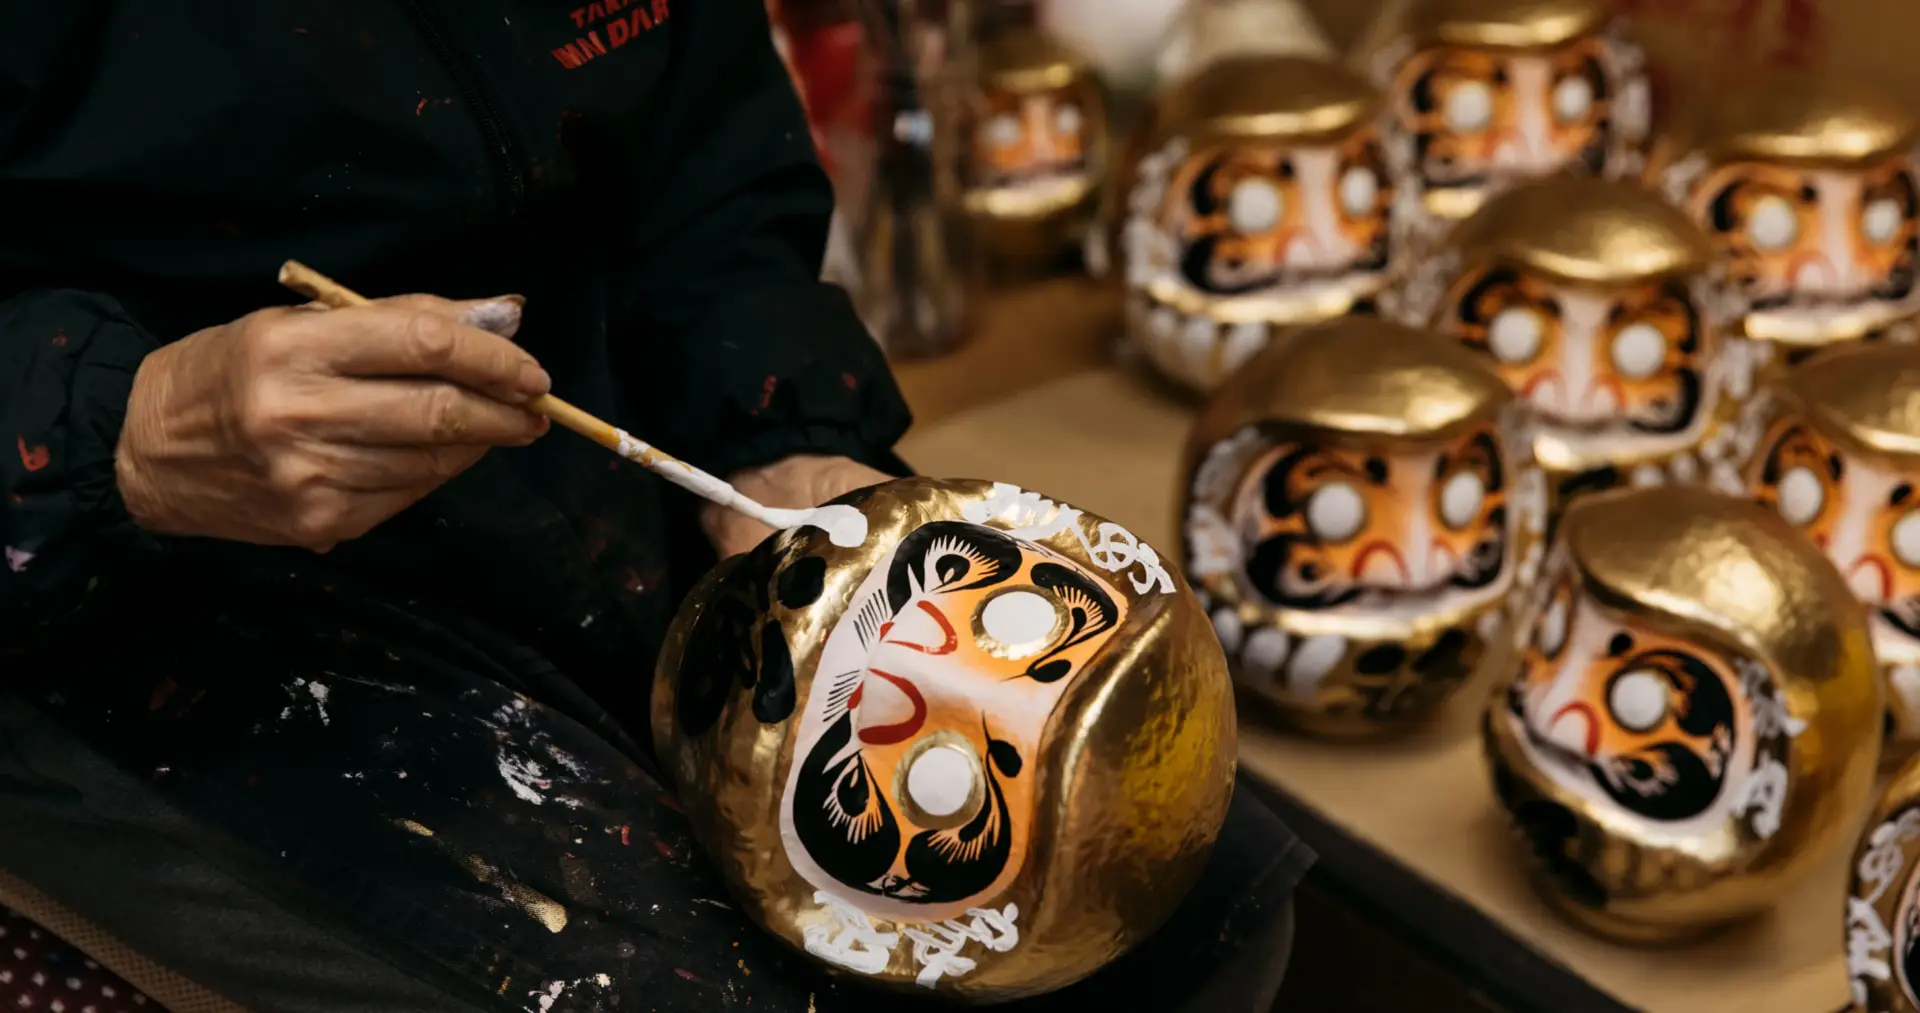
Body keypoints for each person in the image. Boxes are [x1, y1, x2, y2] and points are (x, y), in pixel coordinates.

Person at [0, 3, 1310, 1011]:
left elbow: (709, 152)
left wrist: (792, 432)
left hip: (590, 434)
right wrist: (124, 425)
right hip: (124, 575)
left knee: (1186, 902)